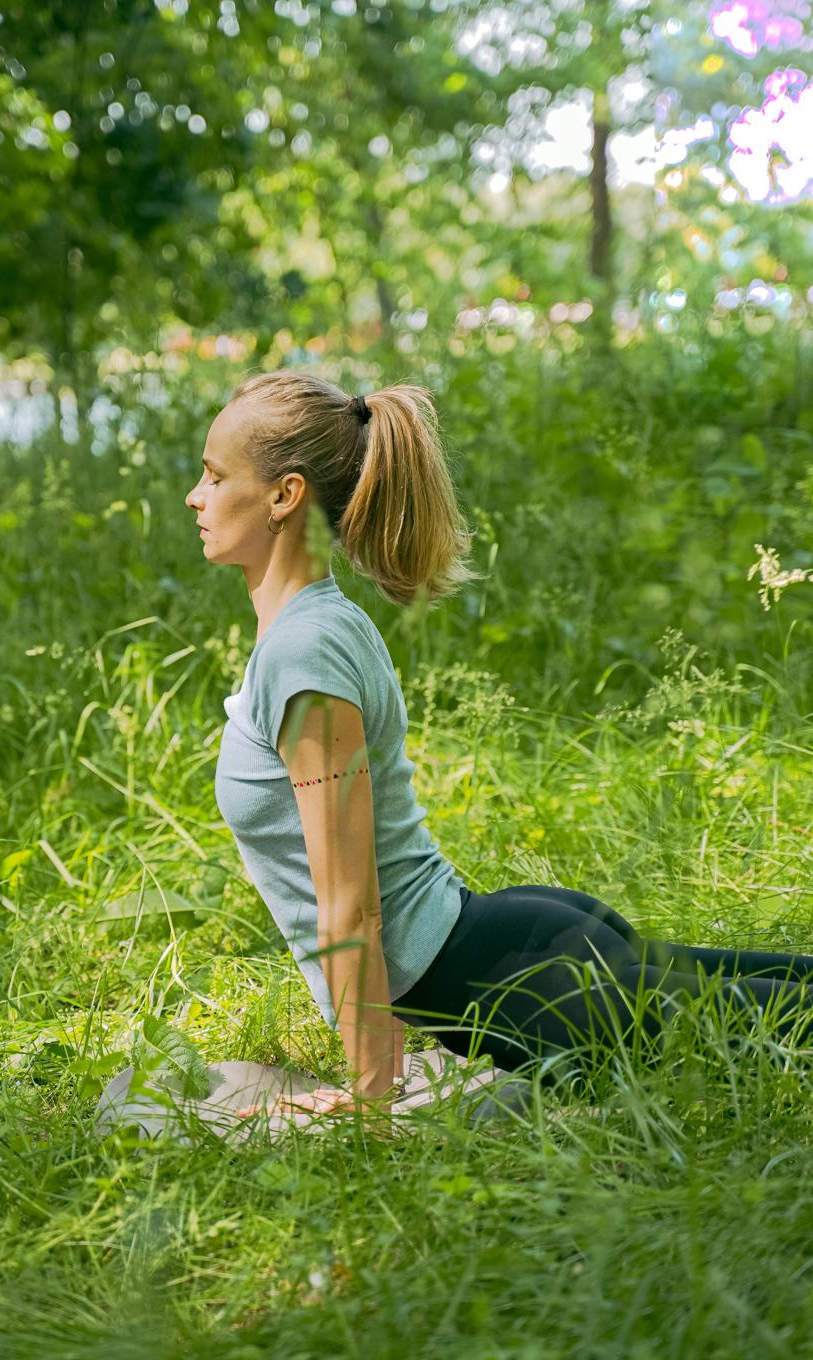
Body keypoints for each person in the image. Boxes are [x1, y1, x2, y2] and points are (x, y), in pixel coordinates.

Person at [184, 371, 813, 1120]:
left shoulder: (304, 652)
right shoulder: (314, 628)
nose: (195, 496)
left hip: (513, 984)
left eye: (215, 476)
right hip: (510, 949)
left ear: (285, 496)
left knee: (781, 1024)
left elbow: (350, 906)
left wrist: (369, 1098)